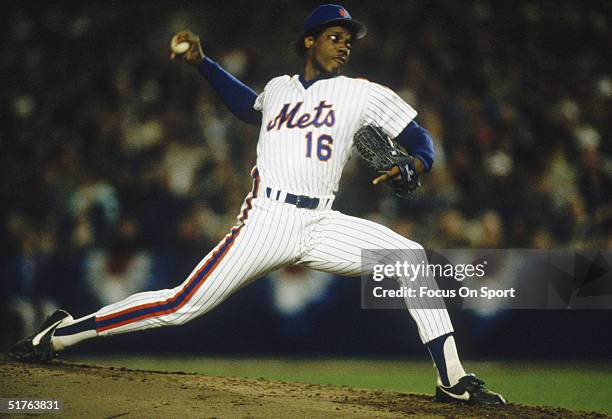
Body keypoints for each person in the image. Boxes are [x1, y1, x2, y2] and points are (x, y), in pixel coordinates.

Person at [9, 4, 505, 406]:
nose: (345, 44)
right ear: (309, 40)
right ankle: (62, 335)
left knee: (408, 256)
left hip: (319, 220)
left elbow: (420, 138)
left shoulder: (361, 94)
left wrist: (416, 166)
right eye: (335, 36)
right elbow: (247, 106)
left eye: (349, 39)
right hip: (266, 220)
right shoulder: (279, 89)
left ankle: (452, 378)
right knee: (181, 306)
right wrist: (203, 64)